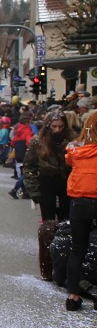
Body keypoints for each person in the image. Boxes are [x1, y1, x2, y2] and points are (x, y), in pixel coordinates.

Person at [25, 110, 75, 281]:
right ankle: (48, 265)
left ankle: (65, 263)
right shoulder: (38, 141)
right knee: (48, 226)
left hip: (67, 184)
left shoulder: (72, 140)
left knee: (67, 223)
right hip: (46, 183)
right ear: (48, 126)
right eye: (54, 126)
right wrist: (34, 191)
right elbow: (29, 167)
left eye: (60, 126)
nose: (57, 130)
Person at [65, 111, 97, 311]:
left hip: (80, 201)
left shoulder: (77, 151)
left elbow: (69, 160)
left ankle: (73, 295)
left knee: (78, 249)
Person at [9, 112, 35, 199]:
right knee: (26, 174)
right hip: (25, 154)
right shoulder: (27, 131)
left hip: (18, 154)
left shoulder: (18, 131)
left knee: (23, 172)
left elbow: (12, 143)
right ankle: (15, 189)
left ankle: (24, 193)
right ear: (27, 123)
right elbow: (30, 143)